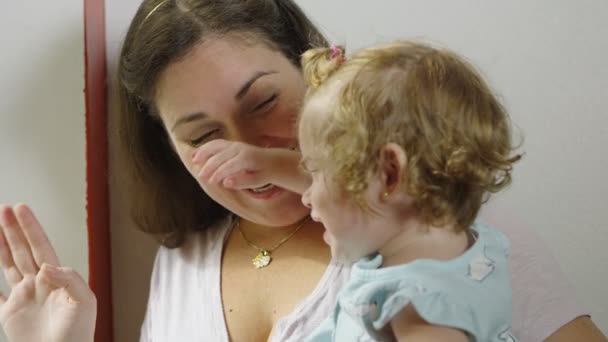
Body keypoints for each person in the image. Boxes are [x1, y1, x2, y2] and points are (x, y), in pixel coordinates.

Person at [0, 0, 605, 341]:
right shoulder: (182, 265)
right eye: (203, 136)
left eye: (263, 103)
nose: (244, 152)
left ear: (315, 74)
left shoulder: (441, 228)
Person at [297, 41, 519, 341]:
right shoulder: (475, 248)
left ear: (389, 175)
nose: (306, 196)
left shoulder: (417, 311)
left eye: (315, 172)